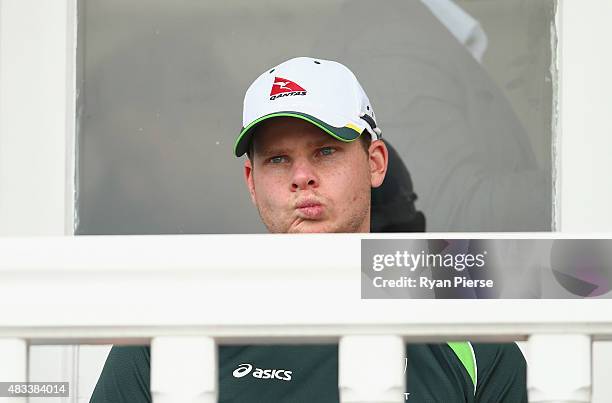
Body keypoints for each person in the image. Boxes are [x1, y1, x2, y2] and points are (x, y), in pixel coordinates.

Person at [90, 57, 526, 402]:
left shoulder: (469, 329)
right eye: (278, 159)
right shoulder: (170, 324)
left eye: (325, 151)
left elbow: (593, 277)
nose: (302, 177)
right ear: (252, 182)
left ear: (375, 163)